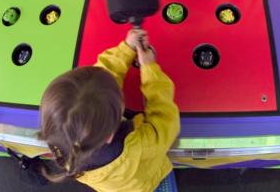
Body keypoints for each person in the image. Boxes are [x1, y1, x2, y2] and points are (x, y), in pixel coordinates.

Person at [38, 29, 180, 192]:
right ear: (110, 135)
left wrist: (127, 48)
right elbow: (164, 122)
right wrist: (150, 69)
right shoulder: (138, 144)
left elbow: (97, 82)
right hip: (144, 183)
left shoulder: (64, 142)